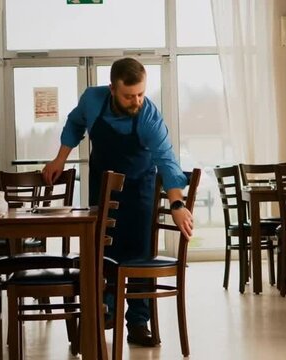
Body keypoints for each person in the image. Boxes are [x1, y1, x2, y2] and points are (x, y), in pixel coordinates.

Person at [42, 57, 193, 347]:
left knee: (138, 254)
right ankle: (102, 316)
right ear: (112, 88)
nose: (136, 100)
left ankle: (138, 323)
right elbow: (74, 125)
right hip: (103, 187)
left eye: (140, 94)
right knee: (100, 252)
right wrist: (59, 159)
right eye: (129, 95)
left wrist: (176, 204)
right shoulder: (92, 100)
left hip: (140, 189)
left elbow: (167, 160)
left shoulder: (149, 116)